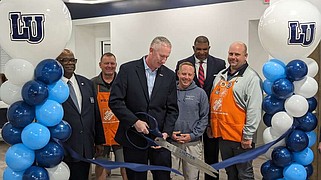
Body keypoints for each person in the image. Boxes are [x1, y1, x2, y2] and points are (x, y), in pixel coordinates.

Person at [109, 36, 179, 180]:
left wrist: (166, 132)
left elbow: (172, 109)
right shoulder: (128, 70)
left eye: (167, 57)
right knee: (135, 177)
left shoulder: (169, 75)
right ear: (151, 50)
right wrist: (135, 121)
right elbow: (115, 101)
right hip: (134, 138)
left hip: (160, 140)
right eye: (161, 56)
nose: (164, 60)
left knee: (163, 176)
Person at [208, 41, 263, 180]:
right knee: (230, 173)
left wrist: (248, 135)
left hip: (241, 138)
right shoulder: (221, 75)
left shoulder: (251, 78)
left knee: (244, 174)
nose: (233, 57)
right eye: (231, 54)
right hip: (223, 135)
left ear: (246, 56)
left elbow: (254, 109)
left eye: (237, 54)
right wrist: (211, 126)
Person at [175, 35, 226, 180]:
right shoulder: (183, 64)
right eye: (199, 49)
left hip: (210, 118)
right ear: (193, 48)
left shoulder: (219, 64)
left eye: (205, 49)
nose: (202, 52)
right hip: (189, 120)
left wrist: (210, 121)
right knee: (190, 160)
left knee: (211, 157)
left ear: (209, 48)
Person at [56, 49, 105, 180]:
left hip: (85, 147)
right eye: (64, 60)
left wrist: (99, 141)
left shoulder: (86, 83)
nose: (69, 63)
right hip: (62, 148)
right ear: (56, 63)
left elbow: (95, 114)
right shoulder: (52, 87)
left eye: (72, 60)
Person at [91, 52, 127, 180]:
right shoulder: (92, 84)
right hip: (101, 133)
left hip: (121, 132)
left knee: (125, 164)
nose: (109, 66)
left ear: (116, 65)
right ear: (100, 65)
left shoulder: (123, 82)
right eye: (106, 63)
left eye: (112, 63)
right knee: (101, 164)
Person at [171, 62, 209, 180]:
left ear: (193, 76)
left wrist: (192, 135)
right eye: (183, 74)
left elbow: (204, 117)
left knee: (192, 177)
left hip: (193, 144)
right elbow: (164, 113)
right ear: (178, 74)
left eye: (189, 74)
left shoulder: (200, 93)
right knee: (171, 176)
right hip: (172, 143)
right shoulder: (170, 91)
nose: (186, 77)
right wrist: (169, 132)